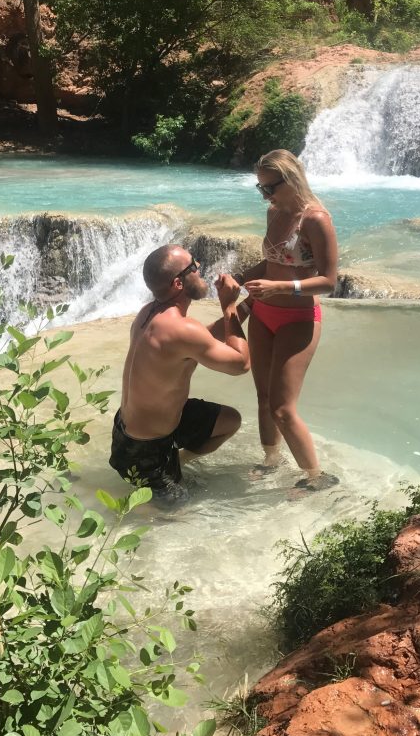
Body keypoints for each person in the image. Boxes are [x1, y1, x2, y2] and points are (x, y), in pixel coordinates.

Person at [109, 244, 250, 506]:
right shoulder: (182, 329)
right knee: (173, 520)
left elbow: (201, 339)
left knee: (229, 420)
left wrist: (248, 306)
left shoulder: (149, 313)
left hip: (130, 430)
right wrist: (229, 306)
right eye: (194, 267)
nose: (200, 268)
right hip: (144, 452)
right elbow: (241, 364)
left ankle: (179, 460)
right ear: (177, 283)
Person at [236, 149, 340, 492]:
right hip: (262, 314)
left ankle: (316, 478)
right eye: (260, 189)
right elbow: (269, 264)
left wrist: (279, 286)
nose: (265, 196)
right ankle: (271, 460)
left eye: (270, 188)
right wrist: (237, 281)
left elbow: (328, 281)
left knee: (282, 408)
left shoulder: (316, 220)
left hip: (298, 317)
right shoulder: (274, 212)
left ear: (291, 180)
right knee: (263, 397)